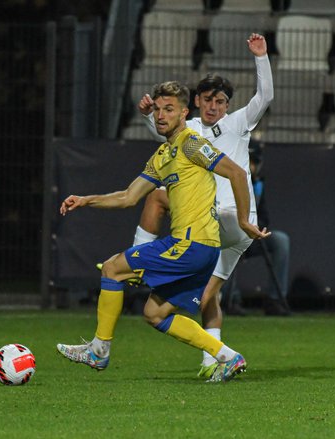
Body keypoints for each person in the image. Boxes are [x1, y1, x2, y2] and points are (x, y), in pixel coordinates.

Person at [57, 81, 269, 383]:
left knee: (114, 268)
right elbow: (128, 197)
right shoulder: (163, 155)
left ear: (184, 113)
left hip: (191, 244)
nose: (160, 115)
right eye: (157, 109)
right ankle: (227, 357)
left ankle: (99, 350)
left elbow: (235, 172)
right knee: (154, 313)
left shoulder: (190, 143)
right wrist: (86, 199)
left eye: (168, 109)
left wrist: (246, 222)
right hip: (200, 250)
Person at [133, 33, 274, 377]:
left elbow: (265, 95)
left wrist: (261, 57)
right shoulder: (189, 128)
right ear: (196, 101)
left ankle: (138, 261)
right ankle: (215, 362)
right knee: (208, 298)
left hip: (234, 222)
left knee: (157, 196)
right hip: (215, 229)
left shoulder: (238, 124)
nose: (214, 106)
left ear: (228, 105)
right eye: (209, 100)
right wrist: (149, 115)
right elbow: (160, 129)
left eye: (221, 101)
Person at [222, 141, 291, 316]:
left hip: (252, 235)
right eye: (247, 161)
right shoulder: (227, 179)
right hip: (229, 235)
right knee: (226, 245)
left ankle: (274, 300)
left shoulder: (258, 184)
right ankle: (231, 299)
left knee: (281, 241)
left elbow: (265, 216)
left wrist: (255, 229)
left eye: (253, 162)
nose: (250, 166)